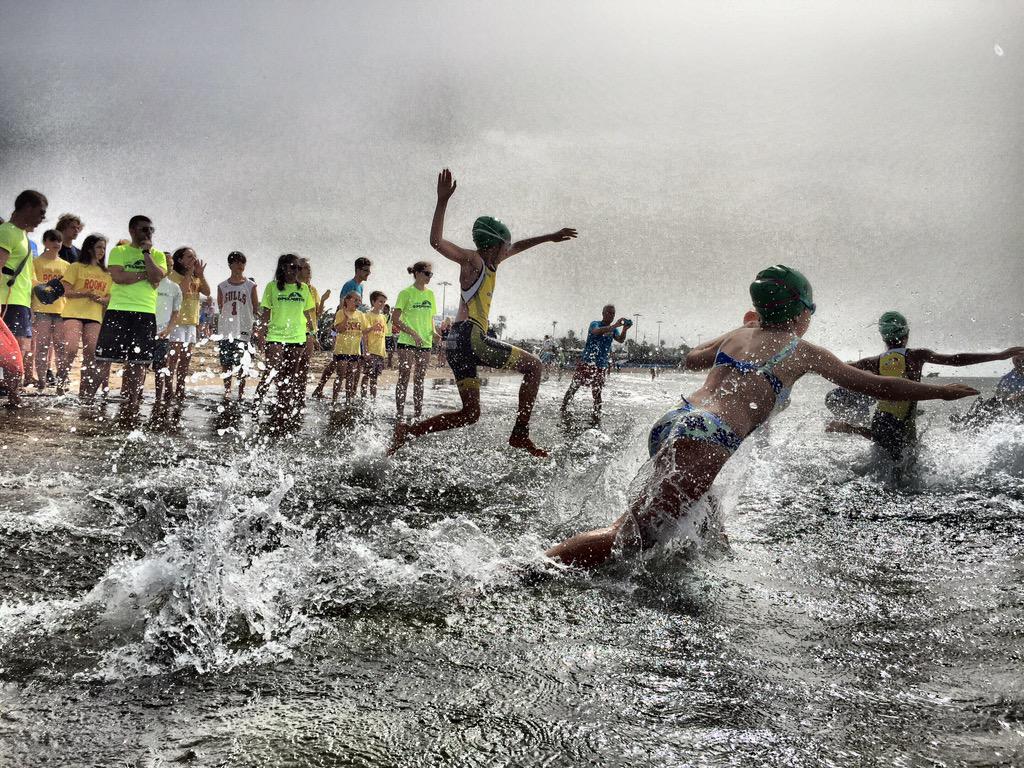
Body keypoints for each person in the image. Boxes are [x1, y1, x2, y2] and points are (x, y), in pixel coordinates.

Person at [546, 265, 980, 568]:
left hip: (679, 420)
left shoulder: (739, 333)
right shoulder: (804, 350)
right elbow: (877, 386)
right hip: (709, 435)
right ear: (800, 311)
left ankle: (715, 565)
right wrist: (938, 392)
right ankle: (522, 571)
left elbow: (692, 359)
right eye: (811, 310)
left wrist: (741, 328)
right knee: (630, 537)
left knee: (705, 509)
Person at [391, 169, 576, 456]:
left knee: (470, 413)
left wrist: (550, 237)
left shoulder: (492, 263)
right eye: (505, 246)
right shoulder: (474, 260)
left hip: (455, 344)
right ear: (494, 245)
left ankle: (408, 432)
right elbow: (436, 242)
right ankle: (520, 434)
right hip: (470, 336)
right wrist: (442, 202)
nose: (509, 250)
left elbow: (520, 246)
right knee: (535, 366)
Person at [826, 311, 1024, 462]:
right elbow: (956, 360)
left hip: (881, 418)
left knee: (886, 452)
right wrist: (1000, 355)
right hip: (902, 422)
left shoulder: (874, 361)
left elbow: (838, 368)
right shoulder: (915, 356)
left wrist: (810, 366)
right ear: (907, 333)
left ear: (883, 337)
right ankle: (850, 428)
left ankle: (850, 428)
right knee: (905, 463)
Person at [95, 215, 167, 425]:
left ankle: (132, 402)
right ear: (132, 230)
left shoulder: (157, 255)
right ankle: (94, 399)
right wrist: (145, 275)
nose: (148, 233)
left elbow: (157, 277)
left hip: (144, 312)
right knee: (105, 359)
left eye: (151, 230)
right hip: (119, 310)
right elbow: (118, 277)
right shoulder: (119, 251)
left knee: (138, 362)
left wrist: (146, 253)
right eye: (144, 229)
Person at [252, 254, 316, 428]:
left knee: (289, 375)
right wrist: (261, 334)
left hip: (298, 337)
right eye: (292, 267)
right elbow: (265, 314)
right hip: (275, 336)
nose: (296, 271)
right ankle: (256, 404)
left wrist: (312, 334)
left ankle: (283, 409)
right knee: (272, 370)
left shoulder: (304, 289)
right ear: (283, 268)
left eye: (298, 268)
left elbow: (308, 314)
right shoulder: (272, 287)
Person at [0, 190, 48, 406]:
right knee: (12, 353)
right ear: (27, 207)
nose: (42, 219)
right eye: (40, 212)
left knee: (18, 352)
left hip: (20, 302)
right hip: (6, 302)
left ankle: (13, 396)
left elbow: (26, 276)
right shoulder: (7, 232)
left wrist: (45, 288)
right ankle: (14, 397)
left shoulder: (24, 237)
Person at [57, 233, 111, 401]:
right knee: (71, 349)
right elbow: (65, 291)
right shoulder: (76, 267)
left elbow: (109, 297)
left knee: (91, 353)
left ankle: (84, 392)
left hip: (94, 316)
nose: (102, 251)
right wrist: (85, 293)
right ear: (89, 249)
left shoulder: (107, 273)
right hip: (73, 313)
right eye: (98, 247)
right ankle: (62, 381)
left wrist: (102, 300)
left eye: (103, 247)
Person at [561, 306, 631, 418]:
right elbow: (596, 331)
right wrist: (615, 325)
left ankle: (596, 416)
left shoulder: (613, 329)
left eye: (613, 313)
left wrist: (624, 329)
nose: (612, 315)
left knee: (597, 393)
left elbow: (621, 339)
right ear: (603, 313)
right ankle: (563, 408)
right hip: (587, 362)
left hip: (601, 365)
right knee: (574, 386)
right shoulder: (595, 324)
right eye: (609, 313)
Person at [163, 247, 210, 411]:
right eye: (189, 256)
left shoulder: (196, 277)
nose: (193, 259)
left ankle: (180, 388)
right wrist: (190, 273)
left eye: (194, 256)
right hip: (177, 322)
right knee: (173, 359)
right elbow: (181, 292)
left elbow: (207, 291)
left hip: (191, 322)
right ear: (180, 260)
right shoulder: (173, 276)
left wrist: (200, 274)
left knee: (185, 359)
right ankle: (168, 389)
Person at [391, 260, 438, 420]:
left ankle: (418, 415)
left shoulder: (430, 294)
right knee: (404, 376)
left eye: (431, 274)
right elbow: (395, 319)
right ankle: (399, 414)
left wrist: (434, 332)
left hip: (426, 342)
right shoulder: (406, 293)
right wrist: (413, 333)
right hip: (407, 342)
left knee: (420, 378)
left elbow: (431, 317)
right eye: (427, 273)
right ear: (417, 273)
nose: (429, 277)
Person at [216, 251, 259, 402]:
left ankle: (241, 392)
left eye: (242, 262)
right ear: (230, 265)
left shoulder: (251, 285)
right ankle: (227, 391)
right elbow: (221, 308)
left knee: (242, 364)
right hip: (226, 330)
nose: (240, 265)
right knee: (226, 363)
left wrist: (255, 327)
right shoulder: (222, 286)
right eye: (237, 262)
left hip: (244, 329)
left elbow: (256, 308)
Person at [29, 229, 69, 389]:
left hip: (61, 311)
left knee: (61, 347)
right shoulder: (35, 262)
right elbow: (31, 283)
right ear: (45, 242)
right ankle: (42, 382)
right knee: (42, 346)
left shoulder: (66, 265)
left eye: (59, 241)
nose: (56, 244)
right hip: (41, 309)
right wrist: (46, 286)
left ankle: (61, 382)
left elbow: (68, 287)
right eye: (52, 240)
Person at [151, 271, 183, 420]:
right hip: (145, 330)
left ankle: (158, 398)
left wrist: (169, 329)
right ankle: (135, 396)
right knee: (140, 365)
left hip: (163, 333)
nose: (168, 267)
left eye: (171, 264)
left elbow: (175, 312)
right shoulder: (148, 283)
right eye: (166, 264)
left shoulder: (174, 287)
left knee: (161, 366)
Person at [328, 291, 369, 404]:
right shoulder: (341, 313)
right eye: (355, 300)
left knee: (350, 376)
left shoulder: (361, 314)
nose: (358, 302)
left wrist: (366, 351)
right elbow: (338, 330)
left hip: (355, 351)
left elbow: (364, 332)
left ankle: (348, 401)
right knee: (340, 376)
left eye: (359, 300)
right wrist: (346, 318)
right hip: (342, 350)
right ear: (347, 300)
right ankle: (334, 401)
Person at [360, 291, 389, 398]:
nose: (382, 304)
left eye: (384, 302)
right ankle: (363, 397)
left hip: (380, 351)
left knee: (375, 377)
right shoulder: (367, 315)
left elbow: (383, 335)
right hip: (370, 351)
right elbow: (364, 333)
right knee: (367, 375)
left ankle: (373, 399)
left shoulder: (383, 317)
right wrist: (366, 351)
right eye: (380, 301)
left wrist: (384, 352)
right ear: (373, 301)